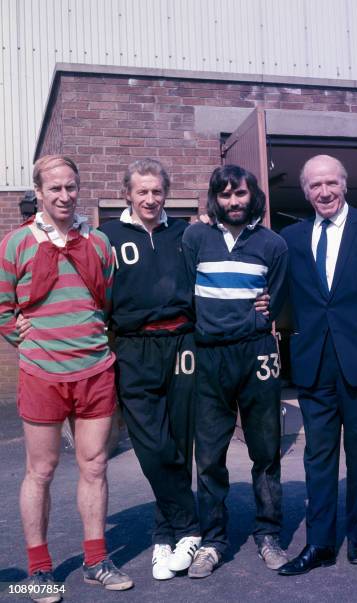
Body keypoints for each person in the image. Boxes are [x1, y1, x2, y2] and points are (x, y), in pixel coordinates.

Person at [0, 155, 133, 600]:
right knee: (41, 470)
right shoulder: (15, 243)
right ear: (38, 191)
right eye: (54, 188)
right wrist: (22, 338)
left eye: (70, 187)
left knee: (94, 466)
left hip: (95, 370)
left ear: (79, 188)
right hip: (42, 373)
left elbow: (107, 301)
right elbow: (2, 308)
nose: (63, 195)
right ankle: (39, 570)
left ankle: (97, 560)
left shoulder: (98, 243)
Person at [278, 154, 357, 575]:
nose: (323, 192)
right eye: (314, 186)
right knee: (318, 458)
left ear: (344, 184)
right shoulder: (291, 237)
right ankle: (320, 543)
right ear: (305, 192)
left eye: (330, 183)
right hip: (313, 364)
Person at [182, 164, 289, 578]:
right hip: (208, 356)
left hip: (256, 354)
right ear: (215, 198)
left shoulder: (273, 244)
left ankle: (268, 534)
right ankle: (213, 541)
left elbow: (274, 303)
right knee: (209, 457)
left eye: (240, 194)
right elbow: (184, 295)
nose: (233, 202)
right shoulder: (195, 237)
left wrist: (264, 315)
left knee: (266, 451)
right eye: (225, 195)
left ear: (252, 195)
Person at [98, 159, 201, 581]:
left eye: (157, 191)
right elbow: (90, 289)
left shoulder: (185, 233)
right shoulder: (106, 236)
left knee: (180, 442)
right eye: (141, 191)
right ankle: (190, 524)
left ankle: (164, 537)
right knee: (152, 446)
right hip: (134, 347)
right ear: (127, 193)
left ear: (166, 193)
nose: (150, 199)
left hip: (182, 344)